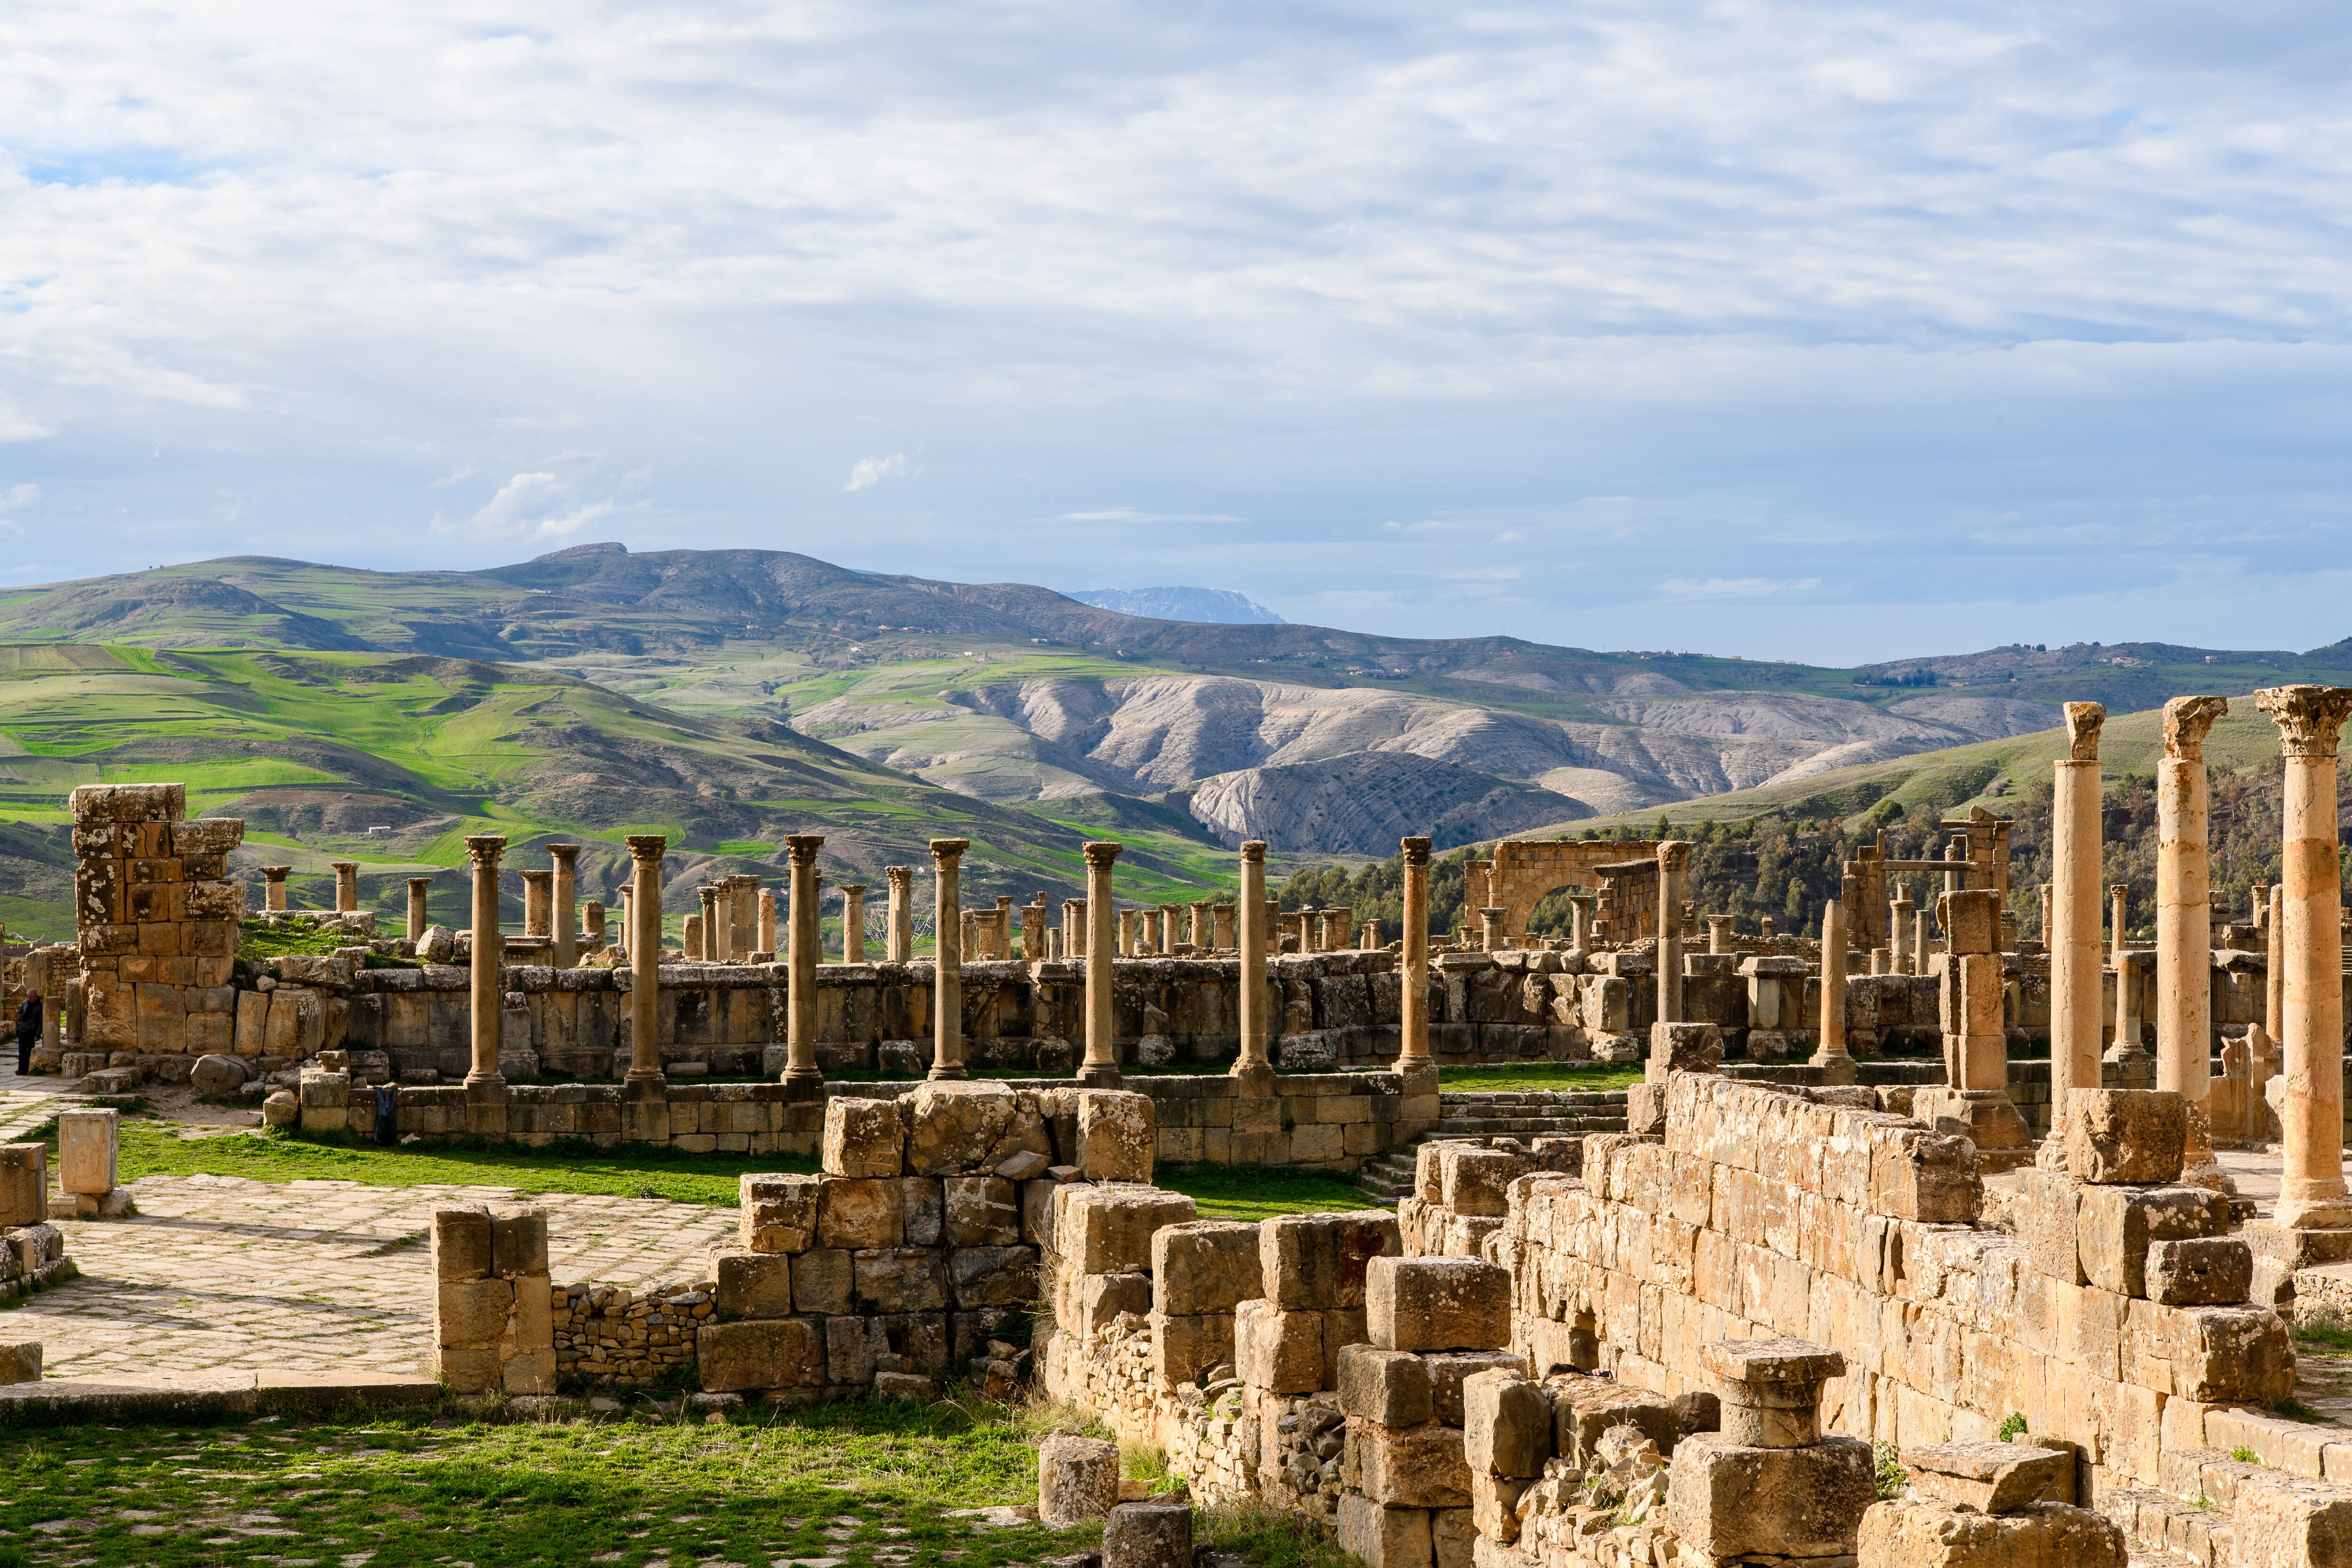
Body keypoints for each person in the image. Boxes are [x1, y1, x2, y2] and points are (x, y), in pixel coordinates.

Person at [14, 988, 39, 1075]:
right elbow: (19, 1012)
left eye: (31, 998)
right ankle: (21, 1068)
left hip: (31, 1031)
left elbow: (40, 1022)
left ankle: (28, 1068)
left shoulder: (40, 1006)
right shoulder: (25, 1003)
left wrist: (38, 1034)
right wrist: (19, 1016)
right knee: (22, 1050)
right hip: (22, 1030)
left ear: (36, 997)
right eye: (28, 997)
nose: (29, 999)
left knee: (29, 1050)